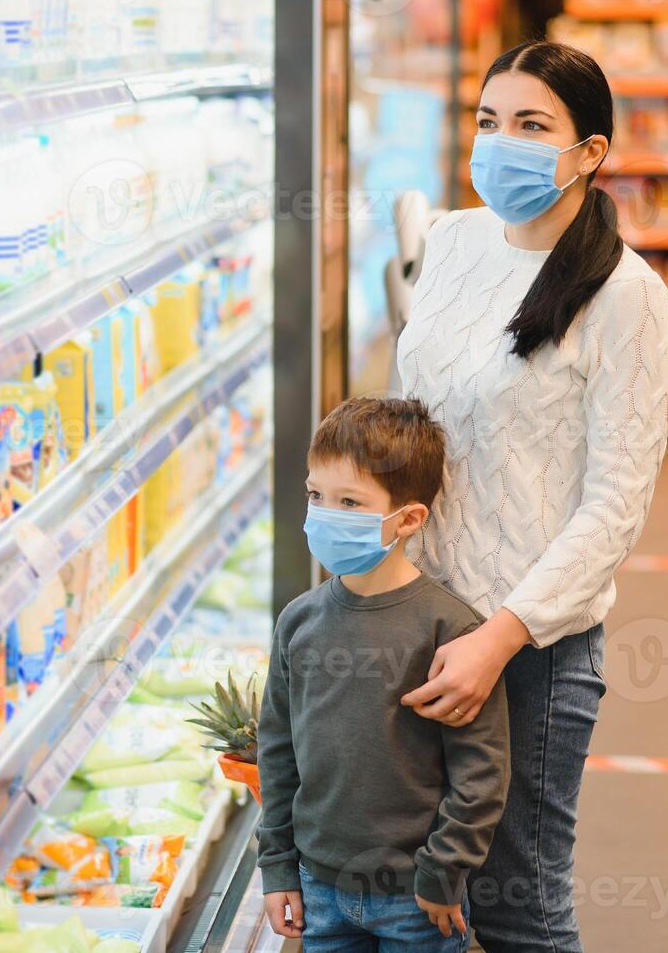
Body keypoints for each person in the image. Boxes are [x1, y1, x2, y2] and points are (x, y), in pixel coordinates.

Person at [395, 40, 668, 952]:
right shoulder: (452, 240)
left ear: (590, 152)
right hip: (419, 618)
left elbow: (614, 508)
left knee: (519, 903)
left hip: (532, 647)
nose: (500, 143)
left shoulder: (628, 298)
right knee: (423, 888)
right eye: (488, 121)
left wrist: (501, 637)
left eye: (530, 125)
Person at [257, 396, 510, 951]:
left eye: (350, 502)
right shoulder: (298, 623)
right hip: (319, 890)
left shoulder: (451, 630)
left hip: (416, 899)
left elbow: (481, 769)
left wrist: (444, 871)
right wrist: (277, 867)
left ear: (409, 518)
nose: (325, 514)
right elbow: (277, 751)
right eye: (316, 496)